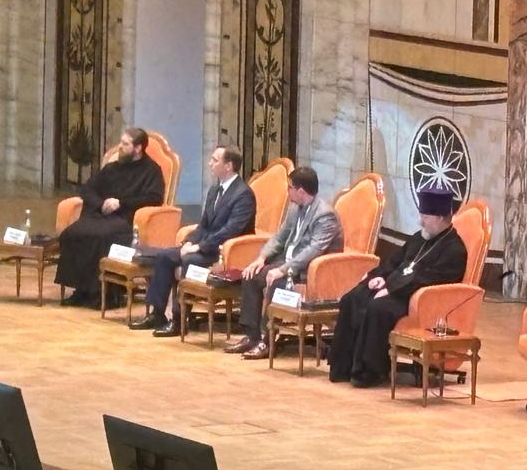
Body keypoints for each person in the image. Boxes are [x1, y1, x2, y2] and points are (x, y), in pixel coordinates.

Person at [328, 187, 468, 388]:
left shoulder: (454, 250)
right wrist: (378, 277)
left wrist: (391, 288)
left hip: (416, 300)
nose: (420, 221)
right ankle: (343, 366)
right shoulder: (419, 238)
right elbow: (395, 262)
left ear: (439, 218)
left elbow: (429, 279)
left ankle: (369, 371)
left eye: (425, 216)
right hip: (396, 289)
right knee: (353, 298)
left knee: (378, 308)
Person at [132, 144, 257, 335]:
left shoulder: (244, 194)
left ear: (229, 166)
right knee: (165, 256)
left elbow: (231, 230)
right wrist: (189, 242)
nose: (210, 164)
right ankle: (157, 314)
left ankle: (179, 320)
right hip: (205, 245)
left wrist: (199, 247)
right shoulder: (215, 190)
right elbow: (204, 225)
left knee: (190, 260)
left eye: (215, 160)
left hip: (225, 251)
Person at [224, 165, 344, 358]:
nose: (287, 191)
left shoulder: (325, 215)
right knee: (251, 274)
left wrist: (283, 269)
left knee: (276, 280)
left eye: (290, 187)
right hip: (285, 262)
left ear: (301, 191)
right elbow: (280, 237)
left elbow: (313, 250)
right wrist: (261, 258)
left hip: (308, 271)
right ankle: (252, 336)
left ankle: (267, 341)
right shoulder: (295, 208)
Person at [54, 127, 164, 308]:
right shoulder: (112, 167)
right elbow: (88, 188)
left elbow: (154, 198)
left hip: (125, 219)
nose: (120, 146)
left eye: (125, 144)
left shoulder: (151, 171)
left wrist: (120, 203)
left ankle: (105, 293)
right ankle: (81, 290)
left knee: (103, 236)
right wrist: (101, 203)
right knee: (72, 234)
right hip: (101, 215)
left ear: (138, 148)